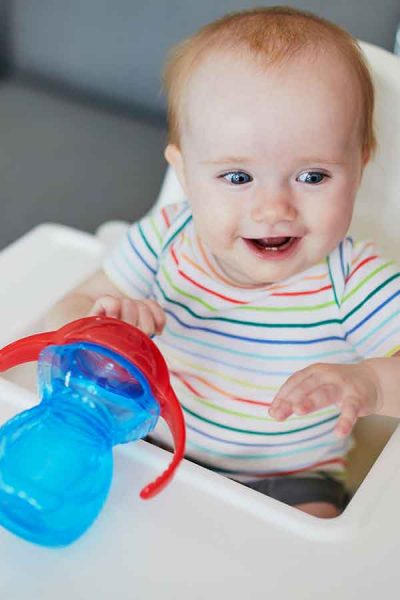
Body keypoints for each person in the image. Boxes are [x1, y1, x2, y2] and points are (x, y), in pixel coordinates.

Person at [46, 6, 400, 518]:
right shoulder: (166, 236)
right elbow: (67, 311)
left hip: (288, 483)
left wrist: (370, 383)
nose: (273, 208)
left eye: (313, 177)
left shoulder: (355, 281)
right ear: (186, 174)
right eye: (238, 178)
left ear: (359, 167)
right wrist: (103, 328)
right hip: (146, 444)